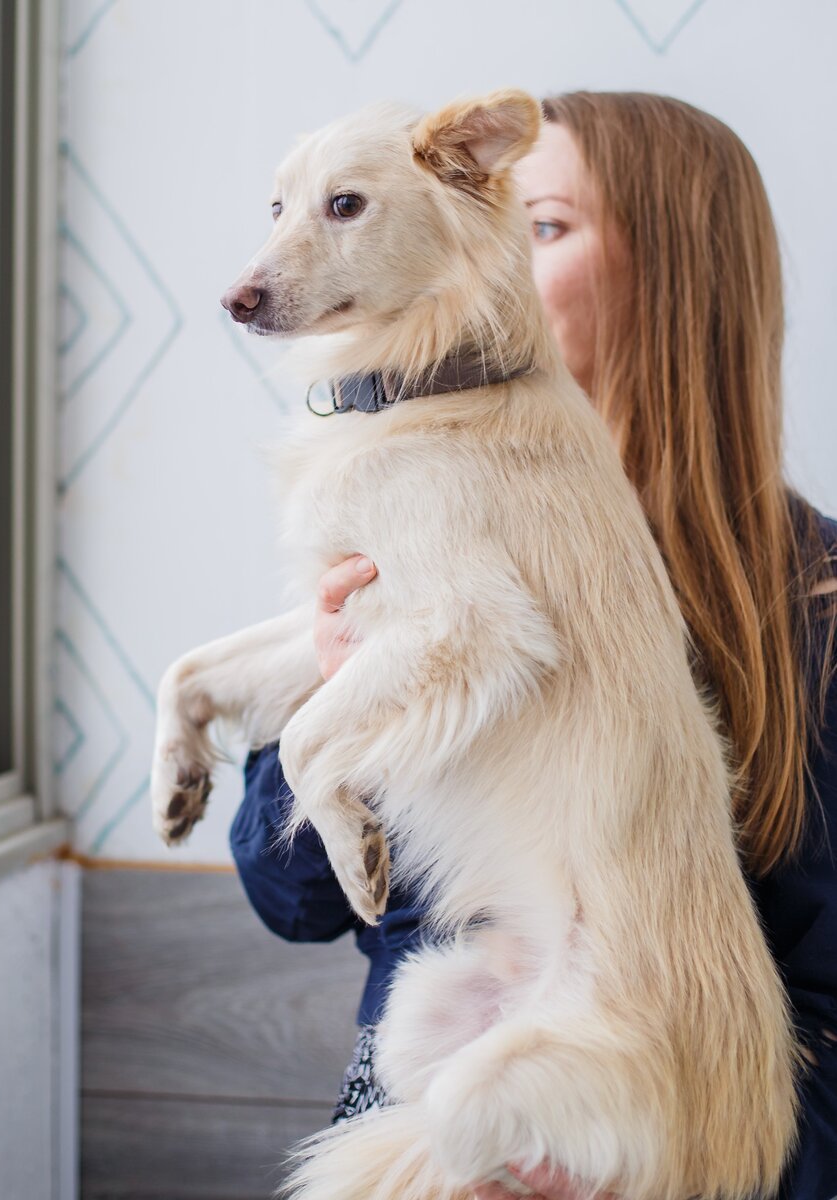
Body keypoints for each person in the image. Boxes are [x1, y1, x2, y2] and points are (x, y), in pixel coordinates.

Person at [230, 92, 837, 1199]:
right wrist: (334, 685)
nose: (479, 234)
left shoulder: (815, 596)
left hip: (633, 1139)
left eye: (542, 222)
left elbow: (828, 1012)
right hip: (421, 1120)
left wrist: (630, 1166)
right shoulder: (404, 508)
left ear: (675, 270)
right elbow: (293, 903)